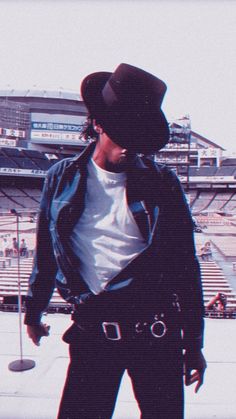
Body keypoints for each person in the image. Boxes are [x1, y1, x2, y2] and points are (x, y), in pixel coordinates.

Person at [24, 63, 206, 419]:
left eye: (141, 136)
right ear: (98, 124)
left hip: (157, 335)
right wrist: (34, 311)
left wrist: (194, 344)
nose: (133, 146)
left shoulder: (163, 183)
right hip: (92, 333)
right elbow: (47, 252)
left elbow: (186, 267)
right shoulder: (60, 179)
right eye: (126, 133)